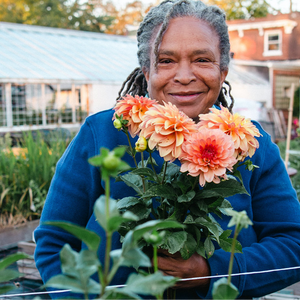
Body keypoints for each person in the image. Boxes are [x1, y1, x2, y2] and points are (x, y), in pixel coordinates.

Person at [34, 0, 300, 299]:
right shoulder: (104, 134)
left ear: (223, 70)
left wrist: (212, 272)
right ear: (146, 71)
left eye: (202, 59)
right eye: (166, 60)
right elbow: (55, 243)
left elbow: (293, 244)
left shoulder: (251, 143)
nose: (184, 76)